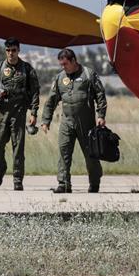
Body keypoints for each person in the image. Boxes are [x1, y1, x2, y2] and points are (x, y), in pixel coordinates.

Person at [41, 48, 107, 193]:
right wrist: (46, 120)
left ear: (73, 61)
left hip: (87, 123)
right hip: (67, 122)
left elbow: (100, 95)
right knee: (64, 152)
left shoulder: (89, 75)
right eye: (61, 65)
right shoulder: (59, 78)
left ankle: (94, 182)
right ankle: (64, 184)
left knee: (91, 155)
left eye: (65, 64)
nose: (63, 67)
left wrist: (101, 116)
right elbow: (51, 100)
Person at [0, 37, 40, 191]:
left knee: (18, 148)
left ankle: (17, 179)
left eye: (13, 50)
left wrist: (33, 112)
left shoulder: (27, 69)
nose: (11, 53)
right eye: (8, 50)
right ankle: (0, 169)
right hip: (1, 113)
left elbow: (35, 91)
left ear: (18, 50)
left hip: (19, 113)